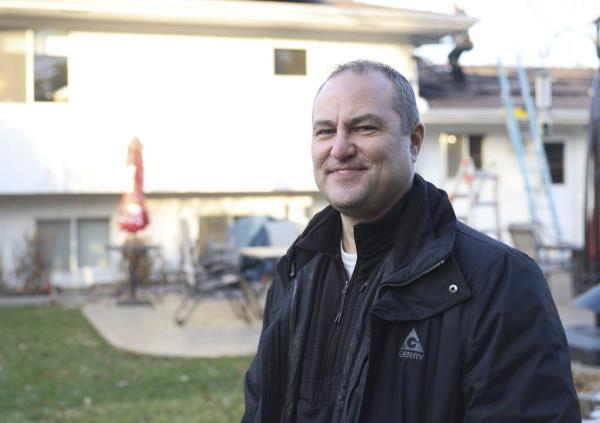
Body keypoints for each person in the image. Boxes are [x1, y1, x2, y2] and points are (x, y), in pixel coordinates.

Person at [241, 59, 581, 423]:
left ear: (414, 141)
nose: (339, 148)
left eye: (364, 128)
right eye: (325, 131)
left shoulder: (499, 282)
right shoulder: (297, 273)